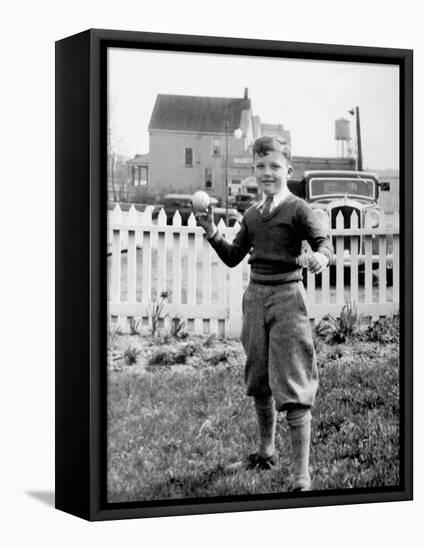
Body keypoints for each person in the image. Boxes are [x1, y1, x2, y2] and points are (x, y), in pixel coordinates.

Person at [194, 135, 333, 491]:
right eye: (260, 166)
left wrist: (320, 257)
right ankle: (266, 450)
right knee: (259, 380)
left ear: (289, 168)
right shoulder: (253, 215)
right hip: (255, 298)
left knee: (293, 384)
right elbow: (232, 256)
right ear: (254, 170)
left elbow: (324, 244)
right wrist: (210, 230)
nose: (267, 172)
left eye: (274, 165)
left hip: (288, 298)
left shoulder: (299, 209)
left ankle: (302, 476)